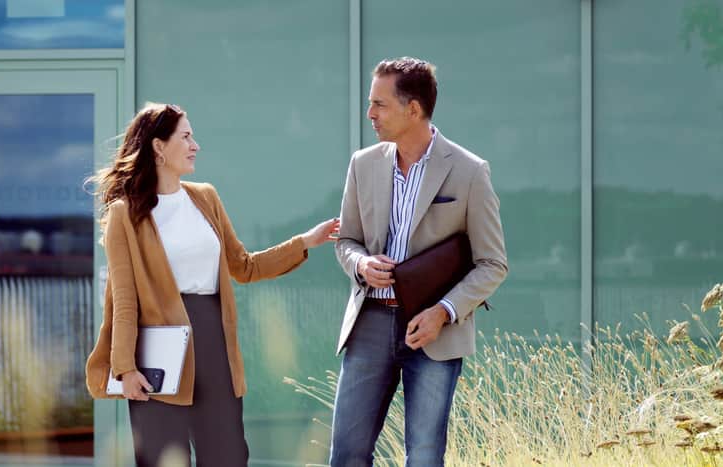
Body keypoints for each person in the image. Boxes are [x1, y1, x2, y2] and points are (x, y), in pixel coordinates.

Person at [84, 102, 341, 466]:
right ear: (159, 147)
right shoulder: (125, 213)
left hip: (213, 342)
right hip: (158, 350)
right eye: (186, 136)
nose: (195, 145)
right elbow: (124, 298)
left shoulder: (205, 197)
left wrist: (304, 242)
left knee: (227, 456)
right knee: (162, 458)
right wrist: (125, 368)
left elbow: (244, 266)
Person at [329, 57, 508, 466]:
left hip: (434, 332)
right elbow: (348, 241)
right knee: (346, 455)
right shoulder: (362, 164)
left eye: (380, 104)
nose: (370, 113)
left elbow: (493, 263)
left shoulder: (469, 172)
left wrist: (443, 313)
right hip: (369, 322)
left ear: (413, 109)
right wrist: (360, 264)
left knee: (425, 457)